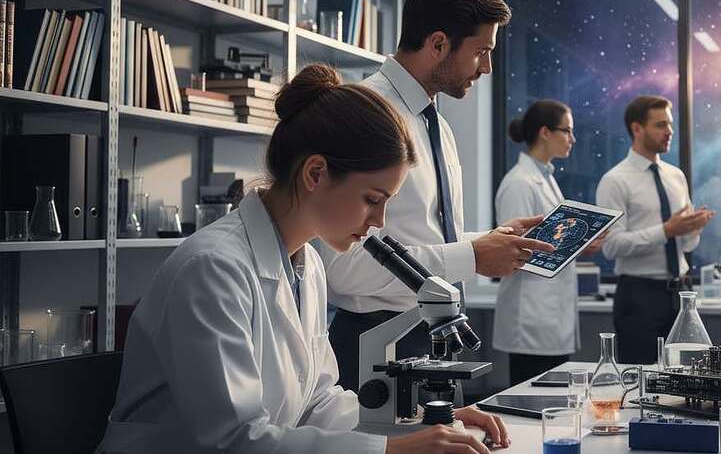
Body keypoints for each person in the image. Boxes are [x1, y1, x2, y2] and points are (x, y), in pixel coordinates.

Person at [102, 64, 509, 454]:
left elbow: (319, 402)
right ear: (315, 174)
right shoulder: (212, 269)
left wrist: (420, 423)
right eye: (372, 199)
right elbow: (234, 440)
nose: (379, 221)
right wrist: (389, 450)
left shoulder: (307, 265)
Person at [316, 0, 554, 391]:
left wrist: (489, 242)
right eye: (481, 51)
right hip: (378, 343)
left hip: (433, 337)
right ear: (438, 43)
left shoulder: (437, 125)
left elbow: (418, 234)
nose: (487, 67)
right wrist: (472, 256)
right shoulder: (365, 115)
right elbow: (346, 269)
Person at [492, 100, 603, 385]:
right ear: (545, 132)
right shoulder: (519, 183)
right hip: (530, 317)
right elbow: (513, 252)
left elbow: (549, 239)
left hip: (549, 318)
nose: (573, 139)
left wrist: (579, 243)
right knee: (533, 402)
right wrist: (575, 243)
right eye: (567, 131)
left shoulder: (546, 178)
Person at [597, 95, 714, 364]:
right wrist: (666, 230)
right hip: (639, 297)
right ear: (637, 128)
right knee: (642, 380)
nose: (669, 131)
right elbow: (612, 246)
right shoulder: (614, 181)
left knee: (688, 377)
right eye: (660, 125)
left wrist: (692, 229)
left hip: (682, 292)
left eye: (670, 124)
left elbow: (685, 246)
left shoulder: (676, 176)